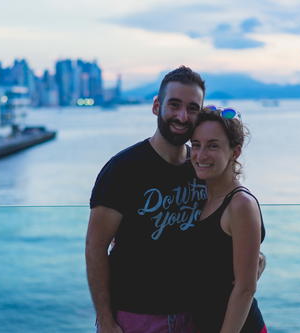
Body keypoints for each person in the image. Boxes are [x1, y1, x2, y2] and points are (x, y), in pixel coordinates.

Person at [86, 66, 207, 333]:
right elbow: (95, 249)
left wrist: (254, 254)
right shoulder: (122, 170)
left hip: (195, 315)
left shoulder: (203, 169)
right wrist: (106, 321)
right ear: (156, 106)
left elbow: (224, 223)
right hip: (135, 317)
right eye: (174, 105)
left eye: (192, 108)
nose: (182, 116)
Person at [188, 107, 267, 333]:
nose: (201, 155)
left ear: (235, 152)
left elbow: (245, 289)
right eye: (196, 144)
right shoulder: (199, 194)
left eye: (213, 145)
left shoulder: (240, 204)